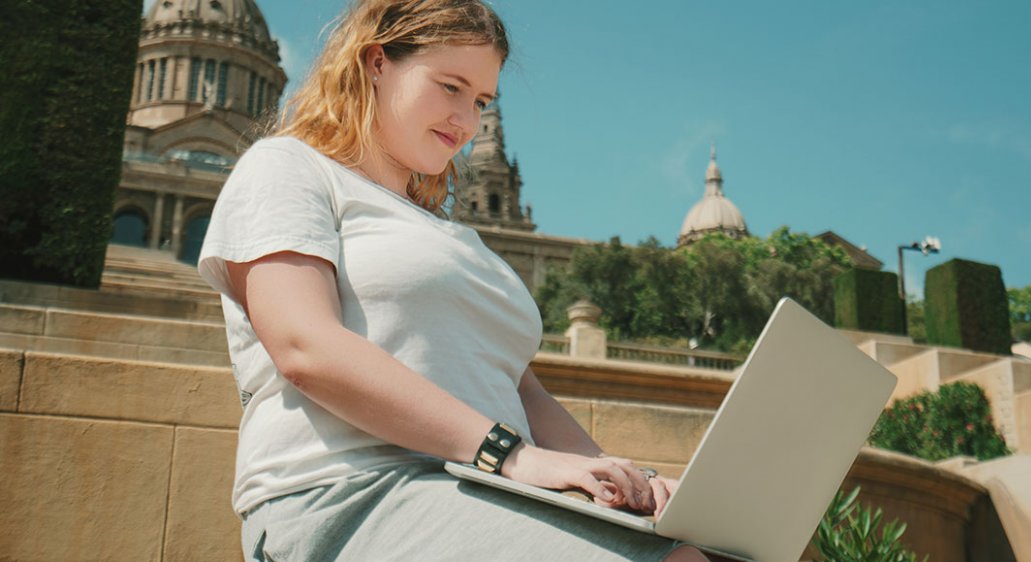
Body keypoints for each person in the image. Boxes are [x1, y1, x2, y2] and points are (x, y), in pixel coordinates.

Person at [197, 0, 715, 560]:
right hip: (349, 490)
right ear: (376, 62)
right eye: (450, 87)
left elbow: (521, 390)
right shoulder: (288, 166)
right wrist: (509, 454)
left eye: (482, 101)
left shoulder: (454, 236)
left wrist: (626, 481)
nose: (467, 120)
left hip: (481, 486)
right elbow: (305, 347)